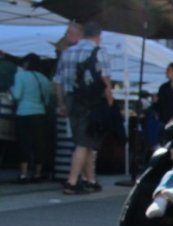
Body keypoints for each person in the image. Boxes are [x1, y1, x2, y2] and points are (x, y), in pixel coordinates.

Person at [53, 21, 114, 195]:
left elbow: (58, 82)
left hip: (72, 100)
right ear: (98, 36)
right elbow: (105, 81)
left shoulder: (67, 53)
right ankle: (71, 182)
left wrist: (61, 103)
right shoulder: (99, 52)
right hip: (92, 102)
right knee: (83, 143)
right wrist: (110, 101)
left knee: (86, 142)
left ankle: (90, 180)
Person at [11, 53, 53, 182]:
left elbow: (17, 95)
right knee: (39, 144)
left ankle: (23, 174)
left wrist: (11, 89)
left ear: (27, 63)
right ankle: (37, 173)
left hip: (23, 113)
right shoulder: (44, 79)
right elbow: (47, 100)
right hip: (39, 114)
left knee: (24, 143)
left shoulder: (20, 76)